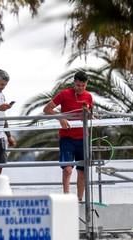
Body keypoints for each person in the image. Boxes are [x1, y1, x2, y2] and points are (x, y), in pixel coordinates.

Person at [43, 71, 93, 201]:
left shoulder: (89, 97)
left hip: (83, 137)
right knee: (67, 169)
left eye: (83, 85)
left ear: (86, 84)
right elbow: (47, 109)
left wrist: (89, 115)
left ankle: (79, 199)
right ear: (74, 83)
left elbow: (91, 115)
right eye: (77, 85)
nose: (80, 88)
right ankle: (66, 199)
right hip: (67, 138)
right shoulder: (64, 94)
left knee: (82, 171)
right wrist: (60, 117)